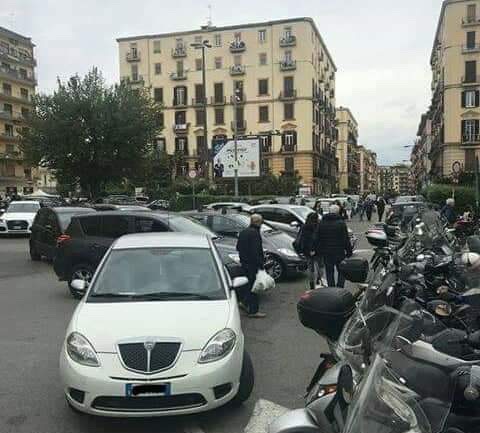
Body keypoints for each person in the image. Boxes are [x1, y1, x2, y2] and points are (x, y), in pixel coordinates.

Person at [236, 214, 267, 318]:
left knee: (248, 285)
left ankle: (244, 302)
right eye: (261, 222)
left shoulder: (244, 232)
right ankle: (254, 311)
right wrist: (261, 264)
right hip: (252, 264)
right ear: (258, 222)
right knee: (255, 287)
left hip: (244, 263)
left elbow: (238, 247)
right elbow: (256, 251)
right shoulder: (255, 234)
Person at [315, 204, 353, 288]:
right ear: (338, 212)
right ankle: (340, 287)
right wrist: (349, 251)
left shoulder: (322, 223)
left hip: (326, 252)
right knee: (341, 270)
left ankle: (331, 287)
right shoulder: (341, 223)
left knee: (329, 271)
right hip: (339, 252)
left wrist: (318, 250)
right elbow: (345, 239)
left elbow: (317, 238)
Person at [299, 212, 322, 290]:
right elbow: (318, 239)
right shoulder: (318, 226)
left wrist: (308, 250)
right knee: (320, 266)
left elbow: (304, 239)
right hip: (318, 249)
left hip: (307, 250)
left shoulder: (304, 226)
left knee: (311, 268)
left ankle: (311, 284)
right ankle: (319, 280)